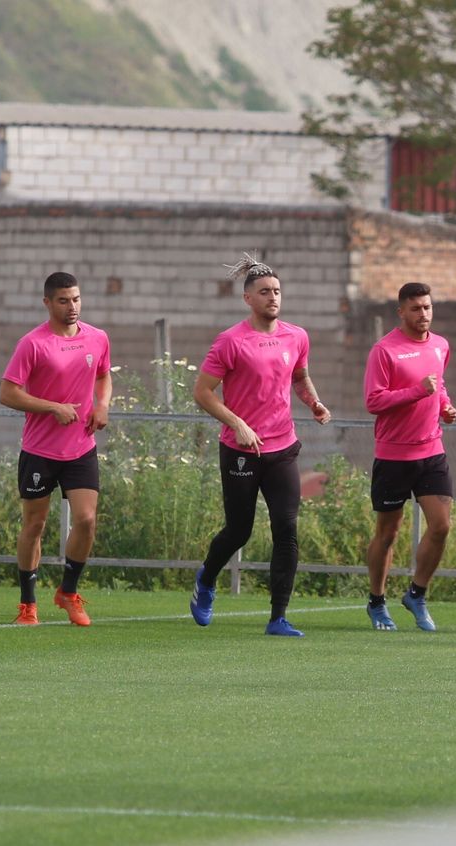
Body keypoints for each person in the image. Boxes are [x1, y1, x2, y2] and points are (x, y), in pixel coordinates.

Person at [190, 255, 332, 637]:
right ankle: (206, 579)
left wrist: (314, 402)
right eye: (265, 292)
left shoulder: (296, 336)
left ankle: (278, 617)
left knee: (286, 528)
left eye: (277, 291)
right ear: (248, 299)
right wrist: (237, 423)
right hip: (241, 451)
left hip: (282, 448)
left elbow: (299, 376)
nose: (273, 297)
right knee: (239, 531)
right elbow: (202, 392)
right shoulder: (231, 341)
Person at [0, 272, 112, 626]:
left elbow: (104, 375)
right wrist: (52, 407)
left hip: (81, 447)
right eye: (63, 301)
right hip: (40, 450)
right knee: (35, 525)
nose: (71, 306)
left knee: (86, 520)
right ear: (47, 303)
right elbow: (7, 394)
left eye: (75, 299)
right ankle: (27, 604)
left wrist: (102, 405)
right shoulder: (32, 344)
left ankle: (68, 592)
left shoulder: (97, 337)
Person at [361, 283, 456, 631]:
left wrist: (445, 405)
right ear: (401, 312)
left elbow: (439, 384)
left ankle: (416, 594)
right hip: (393, 455)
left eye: (427, 307)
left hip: (432, 450)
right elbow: (373, 401)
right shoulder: (384, 350)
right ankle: (376, 601)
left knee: (441, 526)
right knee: (388, 533)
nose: (423, 314)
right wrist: (418, 392)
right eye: (416, 308)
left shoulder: (440, 345)